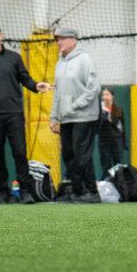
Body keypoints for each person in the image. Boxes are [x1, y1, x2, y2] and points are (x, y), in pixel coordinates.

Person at [0, 23, 51, 205]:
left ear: (0, 36)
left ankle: (25, 192)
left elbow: (25, 79)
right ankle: (3, 192)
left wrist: (37, 86)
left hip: (14, 114)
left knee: (19, 153)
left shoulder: (14, 58)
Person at [49, 27, 101, 203]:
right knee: (69, 156)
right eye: (57, 40)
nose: (59, 43)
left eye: (62, 39)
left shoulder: (84, 60)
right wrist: (53, 116)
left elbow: (94, 88)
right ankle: (78, 192)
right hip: (66, 117)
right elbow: (57, 92)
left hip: (84, 116)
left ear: (73, 40)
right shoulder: (59, 63)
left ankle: (92, 192)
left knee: (82, 154)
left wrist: (74, 106)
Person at [97, 88, 126, 177]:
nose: (105, 97)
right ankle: (104, 185)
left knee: (118, 165)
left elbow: (120, 127)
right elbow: (98, 125)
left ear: (112, 96)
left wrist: (124, 143)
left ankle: (119, 184)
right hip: (104, 141)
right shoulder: (99, 111)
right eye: (103, 95)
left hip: (116, 141)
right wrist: (104, 115)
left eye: (107, 94)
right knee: (106, 165)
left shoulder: (118, 110)